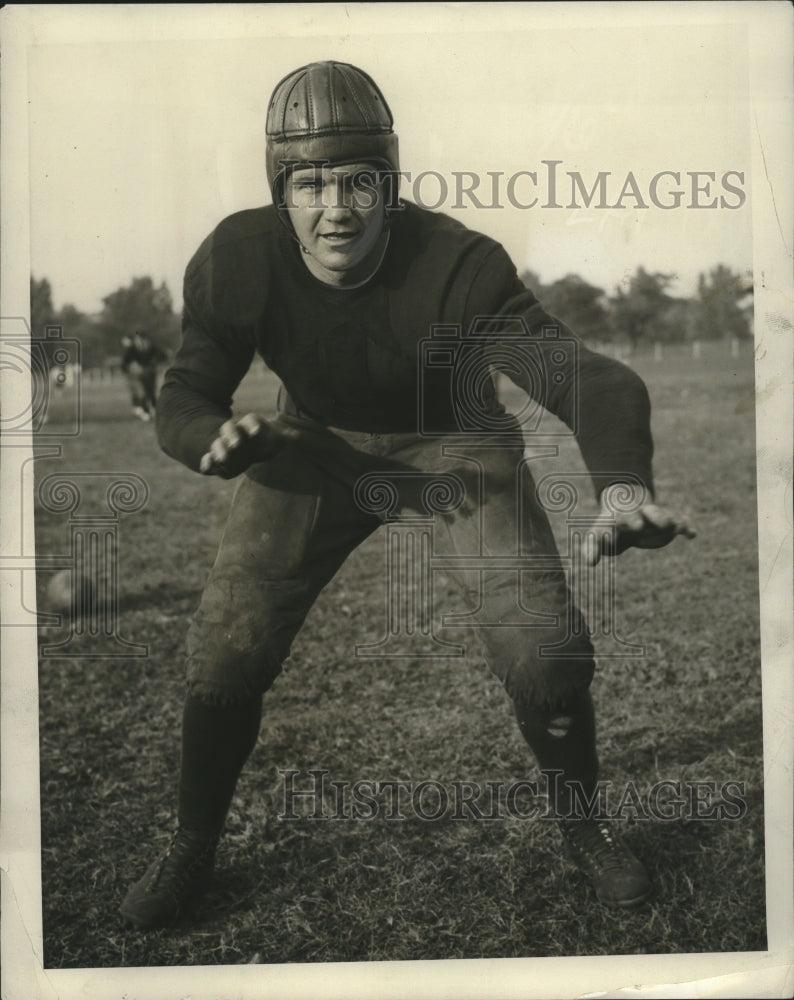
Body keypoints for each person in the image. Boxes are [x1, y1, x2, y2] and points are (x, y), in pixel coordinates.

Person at [120, 61, 694, 930]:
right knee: (228, 651)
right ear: (281, 193)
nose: (336, 206)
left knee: (541, 646)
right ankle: (191, 844)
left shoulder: (459, 266)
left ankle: (587, 826)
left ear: (390, 186)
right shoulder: (238, 259)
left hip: (454, 442)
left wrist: (620, 488)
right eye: (310, 182)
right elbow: (187, 392)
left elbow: (585, 377)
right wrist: (210, 440)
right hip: (311, 443)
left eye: (358, 180)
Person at [120, 330, 166, 420]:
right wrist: (127, 369)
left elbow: (163, 356)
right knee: (142, 393)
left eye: (141, 339)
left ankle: (155, 410)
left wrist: (155, 363)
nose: (139, 341)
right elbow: (126, 361)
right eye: (137, 339)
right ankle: (146, 412)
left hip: (150, 372)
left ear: (145, 339)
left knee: (151, 392)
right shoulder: (132, 349)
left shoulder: (152, 348)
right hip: (138, 374)